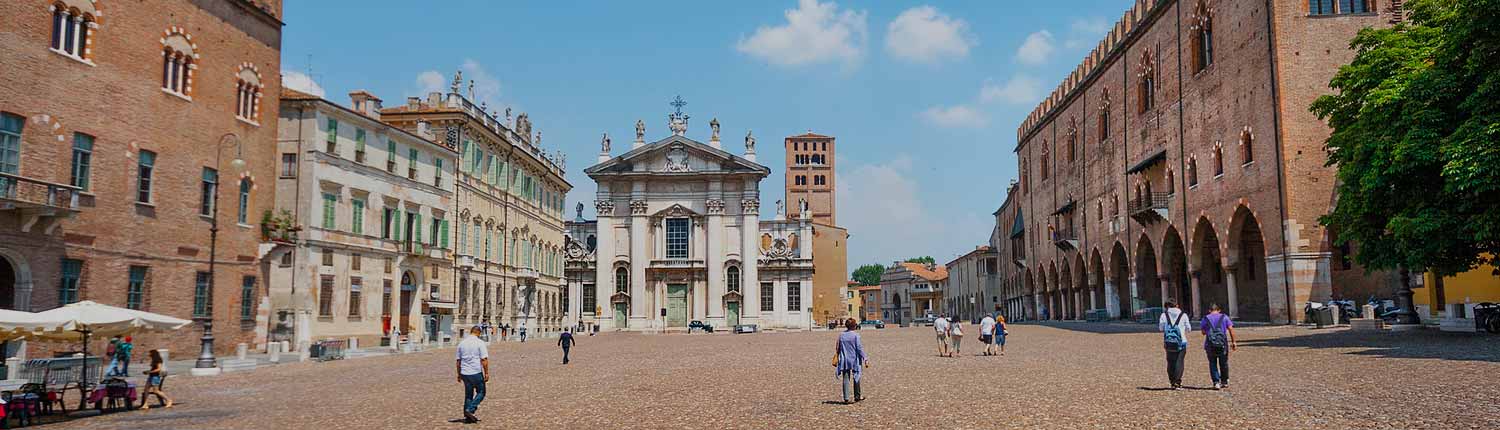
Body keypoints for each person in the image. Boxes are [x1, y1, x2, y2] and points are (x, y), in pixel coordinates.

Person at [456, 326, 490, 423]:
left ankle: (468, 417)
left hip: (465, 373)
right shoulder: (480, 343)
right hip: (475, 372)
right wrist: (486, 373)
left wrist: (458, 374)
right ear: (478, 333)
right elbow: (484, 359)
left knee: (468, 394)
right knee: (481, 392)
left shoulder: (462, 343)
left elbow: (458, 361)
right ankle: (470, 410)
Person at [1201, 303, 1237, 390]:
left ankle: (1216, 382)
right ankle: (1224, 381)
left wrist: (1210, 331)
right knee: (1223, 363)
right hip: (1222, 344)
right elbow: (1231, 329)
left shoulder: (1205, 318)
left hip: (1210, 344)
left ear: (1209, 310)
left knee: (1212, 363)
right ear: (1219, 310)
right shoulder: (1224, 317)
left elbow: (1203, 332)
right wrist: (1234, 342)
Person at [1158, 301, 1193, 390]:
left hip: (1169, 342)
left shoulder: (1164, 315)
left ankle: (1172, 381)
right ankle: (1178, 381)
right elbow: (1189, 328)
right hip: (1182, 342)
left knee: (1170, 362)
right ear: (1177, 305)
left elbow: (1161, 328)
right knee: (1179, 361)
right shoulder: (1183, 315)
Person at [833, 318, 868, 404]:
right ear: (854, 326)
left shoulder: (841, 335)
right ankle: (857, 396)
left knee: (845, 378)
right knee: (856, 377)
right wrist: (865, 358)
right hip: (854, 359)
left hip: (845, 359)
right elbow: (859, 348)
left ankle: (846, 397)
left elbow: (838, 347)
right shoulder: (856, 335)